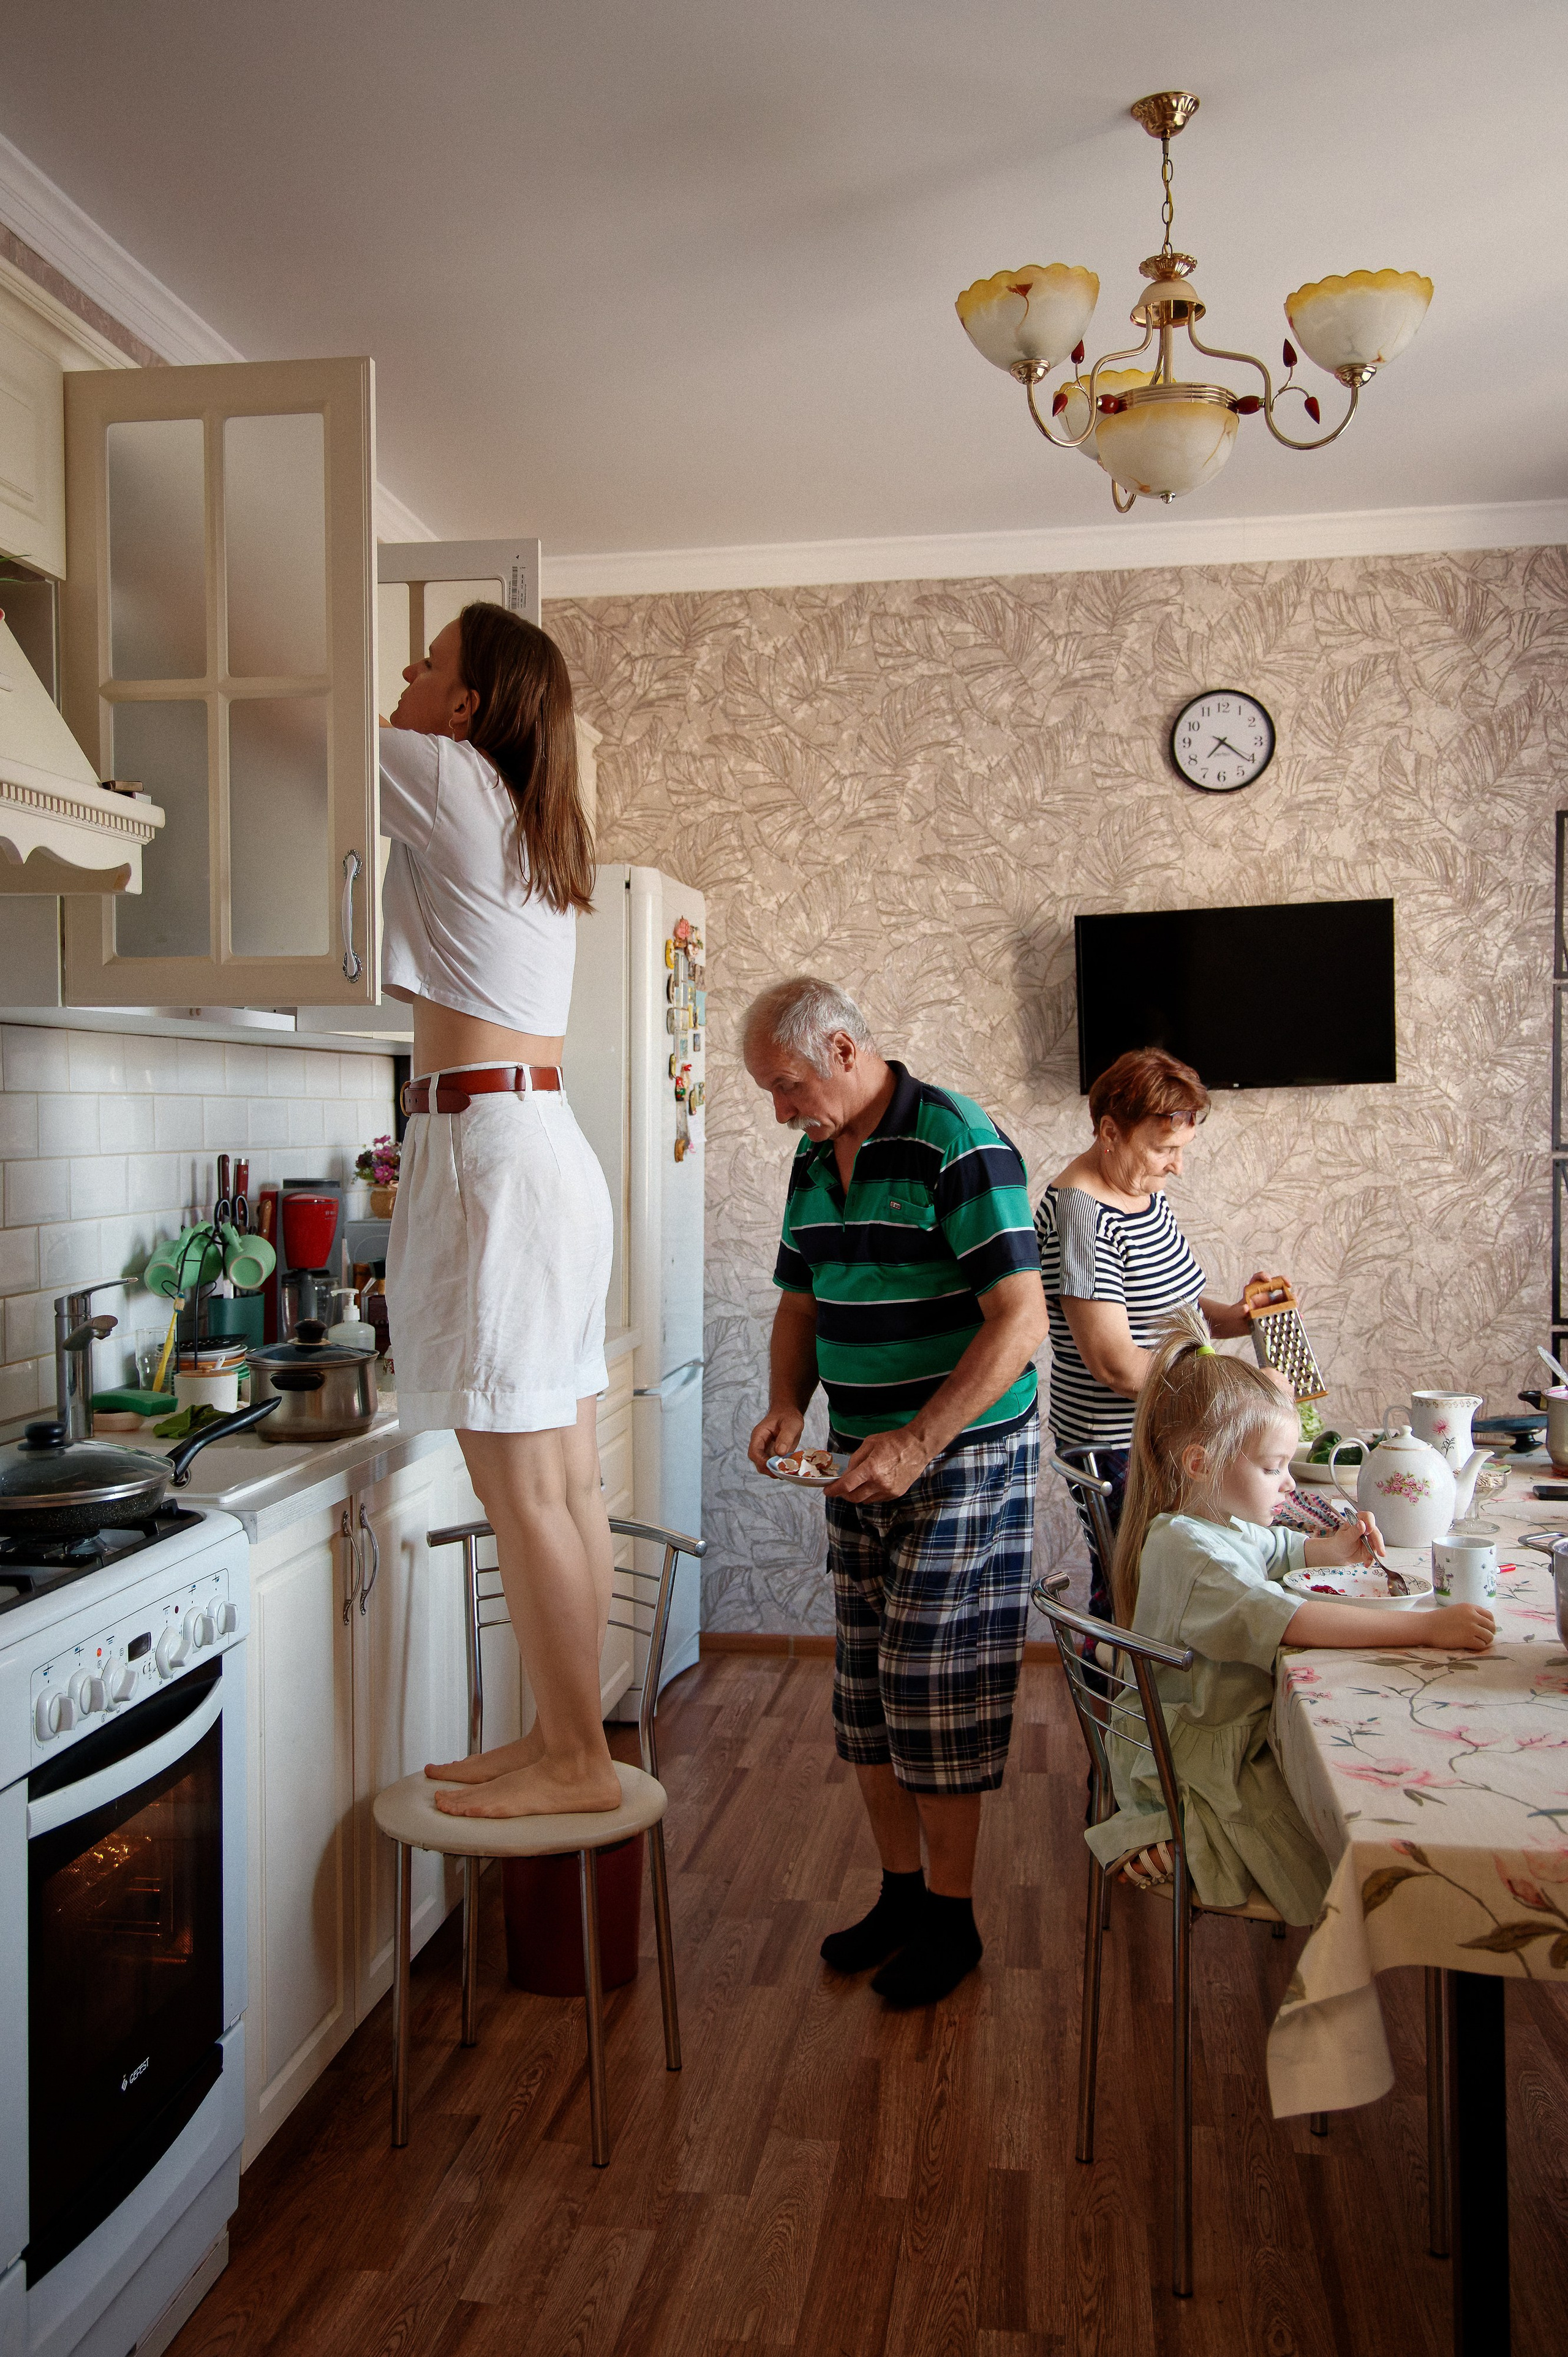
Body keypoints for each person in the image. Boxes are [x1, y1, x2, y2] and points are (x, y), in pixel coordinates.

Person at [744, 977, 1049, 2005]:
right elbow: (801, 1300)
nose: (779, 1110)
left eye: (788, 1085)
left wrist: (921, 1439)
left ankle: (953, 1922)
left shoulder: (956, 1141)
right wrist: (787, 1403)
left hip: (959, 1453)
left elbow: (1020, 1320)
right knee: (865, 1689)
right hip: (859, 1455)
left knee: (933, 1684)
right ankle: (902, 1895)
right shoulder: (812, 1153)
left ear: (842, 1047)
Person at [380, 602, 620, 1821]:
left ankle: (576, 1757)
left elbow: (297, 720)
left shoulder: (448, 776)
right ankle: (560, 1735)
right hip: (533, 1153)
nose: (404, 675)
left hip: (494, 1161)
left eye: (427, 665)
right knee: (562, 1482)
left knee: (522, 1488)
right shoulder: (520, 811)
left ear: (468, 707)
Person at [1085, 1307, 1496, 1919]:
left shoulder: (1207, 1520)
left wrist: (1331, 1549)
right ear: (1200, 1463)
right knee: (1346, 1840)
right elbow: (1292, 1621)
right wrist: (1428, 1626)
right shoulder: (1193, 1551)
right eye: (1272, 1467)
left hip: (1208, 1728)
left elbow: (1276, 1547)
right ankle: (1176, 1839)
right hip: (1191, 1762)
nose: (1287, 1485)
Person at [1035, 1046, 1276, 1619]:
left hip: (1158, 1431)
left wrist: (1241, 1315)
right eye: (1165, 1149)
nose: (1177, 1166)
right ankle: (1118, 1681)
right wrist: (1230, 1391)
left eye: (1181, 1149)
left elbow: (1176, 1311)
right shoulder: (1083, 1217)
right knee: (1137, 1597)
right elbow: (1115, 1364)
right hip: (1116, 1444)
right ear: (1110, 1132)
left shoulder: (1142, 1194)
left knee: (1167, 1588)